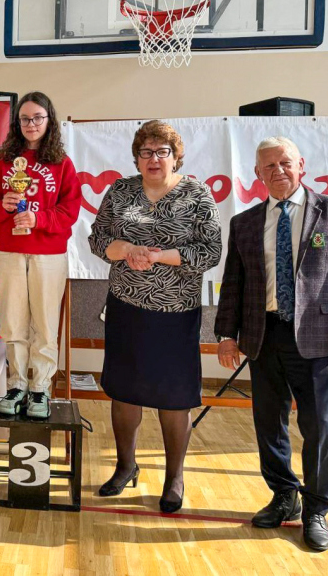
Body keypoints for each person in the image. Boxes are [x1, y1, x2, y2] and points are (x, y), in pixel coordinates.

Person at [215, 136, 328, 552]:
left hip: (319, 340)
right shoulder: (244, 222)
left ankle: (317, 509)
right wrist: (227, 335)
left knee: (320, 426)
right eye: (268, 166)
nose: (278, 171)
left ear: (301, 166)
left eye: (285, 163)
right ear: (257, 174)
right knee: (269, 423)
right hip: (262, 336)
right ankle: (284, 495)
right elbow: (233, 283)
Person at [88, 120, 222, 513]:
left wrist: (159, 256)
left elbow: (210, 251)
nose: (154, 158)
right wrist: (126, 250)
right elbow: (97, 238)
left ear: (176, 157)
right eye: (146, 151)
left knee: (173, 397)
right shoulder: (121, 190)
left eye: (162, 151)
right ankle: (125, 465)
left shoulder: (197, 194)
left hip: (175, 311)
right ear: (137, 158)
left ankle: (174, 477)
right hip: (126, 306)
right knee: (123, 390)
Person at [0, 92, 81, 419]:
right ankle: (17, 385)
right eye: (25, 118)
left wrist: (39, 219)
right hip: (10, 251)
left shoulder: (62, 163)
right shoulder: (2, 160)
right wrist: (4, 206)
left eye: (38, 118)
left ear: (49, 121)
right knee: (13, 323)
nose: (31, 124)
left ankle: (41, 389)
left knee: (45, 325)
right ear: (16, 123)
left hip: (48, 254)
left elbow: (71, 209)